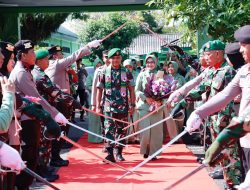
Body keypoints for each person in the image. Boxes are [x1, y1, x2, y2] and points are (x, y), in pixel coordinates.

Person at [186, 25, 250, 188]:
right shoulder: (244, 70)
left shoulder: (230, 70)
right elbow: (224, 95)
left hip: (238, 127)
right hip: (246, 139)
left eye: (244, 45)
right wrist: (199, 113)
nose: (240, 50)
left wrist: (223, 139)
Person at [8, 40, 65, 190]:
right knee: (29, 156)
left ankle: (24, 185)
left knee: (31, 156)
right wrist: (54, 114)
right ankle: (23, 186)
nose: (34, 55)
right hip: (26, 121)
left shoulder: (26, 70)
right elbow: (37, 99)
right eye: (31, 53)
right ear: (23, 56)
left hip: (31, 119)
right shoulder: (21, 73)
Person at [96, 48, 135, 162]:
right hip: (108, 107)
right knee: (108, 129)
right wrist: (98, 106)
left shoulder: (127, 72)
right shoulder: (103, 71)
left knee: (121, 130)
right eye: (113, 58)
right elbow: (99, 90)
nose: (115, 60)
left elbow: (131, 89)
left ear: (121, 59)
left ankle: (118, 152)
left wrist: (132, 105)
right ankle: (109, 154)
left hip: (123, 107)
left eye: (118, 58)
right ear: (109, 59)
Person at [135, 55, 163, 160]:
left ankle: (154, 153)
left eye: (152, 62)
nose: (150, 64)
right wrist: (145, 98)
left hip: (157, 106)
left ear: (156, 62)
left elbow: (165, 89)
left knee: (156, 131)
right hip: (144, 106)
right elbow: (137, 90)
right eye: (148, 62)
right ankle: (145, 151)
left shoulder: (160, 74)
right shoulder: (142, 75)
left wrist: (159, 100)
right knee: (145, 131)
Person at [89, 50, 110, 145]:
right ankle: (107, 145)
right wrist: (94, 104)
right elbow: (94, 88)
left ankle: (116, 147)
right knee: (104, 124)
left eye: (109, 56)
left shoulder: (118, 69)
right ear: (103, 58)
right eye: (106, 57)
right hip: (102, 101)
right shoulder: (99, 70)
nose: (108, 59)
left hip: (115, 102)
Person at [86, 58, 103, 143]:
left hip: (103, 101)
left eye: (100, 65)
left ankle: (103, 137)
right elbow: (88, 86)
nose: (99, 67)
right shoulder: (91, 76)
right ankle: (94, 138)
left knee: (104, 121)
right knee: (94, 121)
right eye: (97, 66)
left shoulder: (104, 74)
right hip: (93, 101)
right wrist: (97, 89)